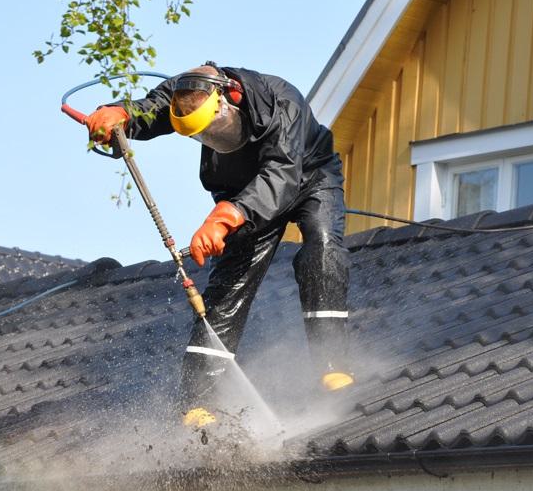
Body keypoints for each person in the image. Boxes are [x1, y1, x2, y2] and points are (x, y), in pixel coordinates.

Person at [85, 62, 353, 429]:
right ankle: (196, 400)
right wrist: (121, 115)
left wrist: (227, 215)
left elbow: (281, 174)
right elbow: (148, 110)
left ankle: (331, 363)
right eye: (202, 136)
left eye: (215, 127)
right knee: (229, 287)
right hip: (243, 193)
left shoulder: (282, 101)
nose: (212, 138)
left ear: (232, 98)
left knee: (321, 247)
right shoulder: (185, 92)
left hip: (308, 177)